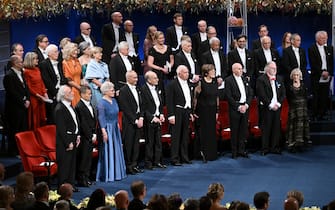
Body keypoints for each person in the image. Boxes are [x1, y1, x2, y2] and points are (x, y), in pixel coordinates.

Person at [96, 81, 126, 181]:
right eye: (112, 90)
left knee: (116, 148)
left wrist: (117, 124)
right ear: (106, 91)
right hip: (107, 128)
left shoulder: (114, 101)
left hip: (115, 127)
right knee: (108, 150)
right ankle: (109, 174)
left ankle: (118, 172)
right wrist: (104, 132)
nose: (114, 92)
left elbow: (116, 114)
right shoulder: (101, 103)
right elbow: (101, 118)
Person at [256, 61, 285, 155]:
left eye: (275, 68)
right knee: (266, 128)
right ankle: (265, 149)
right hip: (266, 108)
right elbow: (261, 94)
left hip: (277, 107)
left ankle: (275, 147)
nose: (275, 69)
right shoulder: (261, 79)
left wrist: (279, 104)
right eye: (273, 68)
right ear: (267, 69)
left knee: (276, 128)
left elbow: (283, 93)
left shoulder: (279, 79)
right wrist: (270, 105)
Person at [166, 65, 193, 166]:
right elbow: (169, 101)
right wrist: (171, 115)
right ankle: (175, 158)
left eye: (187, 72)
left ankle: (184, 157)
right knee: (176, 136)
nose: (187, 74)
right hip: (177, 112)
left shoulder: (188, 84)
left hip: (186, 111)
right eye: (185, 72)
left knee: (185, 136)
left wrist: (190, 112)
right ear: (179, 73)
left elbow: (189, 98)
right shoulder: (172, 84)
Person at [3, 55, 30, 156]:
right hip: (14, 108)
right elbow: (12, 92)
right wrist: (23, 101)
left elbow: (25, 87)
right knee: (15, 130)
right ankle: (14, 151)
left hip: (23, 107)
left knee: (23, 129)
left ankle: (23, 150)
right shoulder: (9, 76)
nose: (22, 63)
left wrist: (27, 98)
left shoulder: (21, 73)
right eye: (20, 62)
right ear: (15, 63)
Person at [55, 85, 80, 191]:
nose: (73, 93)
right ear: (64, 95)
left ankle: (71, 185)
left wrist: (77, 135)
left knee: (72, 164)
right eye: (70, 92)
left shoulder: (70, 106)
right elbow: (61, 128)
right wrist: (68, 142)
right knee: (65, 165)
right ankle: (63, 188)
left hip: (73, 137)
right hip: (65, 141)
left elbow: (75, 122)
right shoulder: (59, 108)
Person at [225, 63, 253, 159]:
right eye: (239, 69)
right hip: (235, 109)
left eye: (241, 69)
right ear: (233, 70)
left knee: (243, 130)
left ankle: (242, 150)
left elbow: (250, 93)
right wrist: (238, 107)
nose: (241, 71)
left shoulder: (244, 79)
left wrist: (246, 105)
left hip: (245, 107)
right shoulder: (228, 80)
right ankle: (234, 151)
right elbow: (228, 96)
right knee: (235, 131)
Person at [118, 71, 144, 175]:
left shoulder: (137, 89)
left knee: (136, 144)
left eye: (137, 77)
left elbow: (142, 104)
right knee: (129, 144)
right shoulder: (123, 91)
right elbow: (125, 108)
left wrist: (141, 117)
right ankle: (129, 166)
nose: (136, 79)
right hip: (129, 121)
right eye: (134, 78)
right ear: (128, 78)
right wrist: (135, 120)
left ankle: (135, 164)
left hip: (138, 119)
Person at [141, 71, 166, 169]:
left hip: (158, 119)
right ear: (148, 79)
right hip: (149, 120)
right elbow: (143, 107)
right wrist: (152, 117)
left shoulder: (157, 88)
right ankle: (149, 163)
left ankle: (158, 161)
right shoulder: (143, 90)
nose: (157, 79)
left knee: (158, 142)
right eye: (155, 78)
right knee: (150, 142)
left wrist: (161, 114)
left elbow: (160, 103)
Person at [193, 64, 219, 162]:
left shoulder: (215, 82)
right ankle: (202, 153)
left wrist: (217, 110)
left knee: (211, 132)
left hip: (212, 111)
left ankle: (212, 154)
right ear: (207, 73)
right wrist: (194, 111)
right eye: (212, 71)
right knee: (203, 132)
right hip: (202, 111)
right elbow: (195, 98)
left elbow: (216, 97)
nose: (214, 72)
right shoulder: (201, 83)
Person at [308, 30, 334, 121]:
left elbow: (331, 63)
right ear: (317, 39)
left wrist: (329, 73)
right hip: (317, 75)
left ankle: (322, 113)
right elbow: (313, 63)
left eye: (326, 38)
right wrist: (321, 72)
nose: (325, 39)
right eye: (323, 38)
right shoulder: (312, 48)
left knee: (324, 95)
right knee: (316, 95)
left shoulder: (329, 48)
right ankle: (314, 114)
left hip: (327, 75)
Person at [75, 86, 97, 187]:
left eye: (90, 93)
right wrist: (90, 135)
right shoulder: (79, 106)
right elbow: (83, 123)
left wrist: (95, 133)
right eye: (88, 93)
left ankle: (87, 177)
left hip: (91, 135)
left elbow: (93, 120)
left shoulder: (90, 105)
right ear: (82, 94)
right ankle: (81, 179)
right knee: (83, 159)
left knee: (88, 158)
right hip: (85, 137)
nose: (90, 95)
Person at [40, 44, 67, 124]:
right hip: (52, 94)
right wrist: (56, 93)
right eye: (55, 52)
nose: (57, 53)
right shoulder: (44, 64)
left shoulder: (59, 63)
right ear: (49, 54)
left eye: (57, 51)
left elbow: (62, 76)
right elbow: (47, 81)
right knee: (54, 116)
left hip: (62, 92)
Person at [23, 52, 49, 130]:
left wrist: (45, 93)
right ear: (30, 60)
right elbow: (28, 87)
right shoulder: (26, 72)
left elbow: (41, 82)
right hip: (34, 97)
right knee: (35, 118)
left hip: (41, 96)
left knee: (42, 117)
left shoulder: (37, 69)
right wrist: (38, 95)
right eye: (35, 59)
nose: (37, 60)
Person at [286, 69, 310, 152]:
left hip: (302, 109)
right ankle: (293, 145)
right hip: (294, 109)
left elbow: (306, 96)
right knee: (294, 126)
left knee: (301, 127)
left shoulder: (304, 85)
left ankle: (301, 144)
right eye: (294, 75)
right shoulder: (289, 86)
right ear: (292, 76)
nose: (296, 76)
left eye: (297, 75)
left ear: (300, 76)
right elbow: (289, 98)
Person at [147, 31, 174, 99]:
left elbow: (172, 60)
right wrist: (161, 69)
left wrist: (169, 66)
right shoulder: (152, 50)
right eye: (160, 38)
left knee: (170, 91)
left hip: (168, 72)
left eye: (163, 38)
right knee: (160, 92)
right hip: (158, 73)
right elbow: (150, 63)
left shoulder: (168, 48)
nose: (162, 39)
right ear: (156, 39)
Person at [62, 42, 82, 106]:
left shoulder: (77, 60)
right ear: (68, 51)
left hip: (80, 87)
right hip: (73, 88)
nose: (76, 52)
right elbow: (69, 80)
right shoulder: (65, 63)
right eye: (74, 51)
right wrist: (79, 88)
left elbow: (80, 75)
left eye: (76, 50)